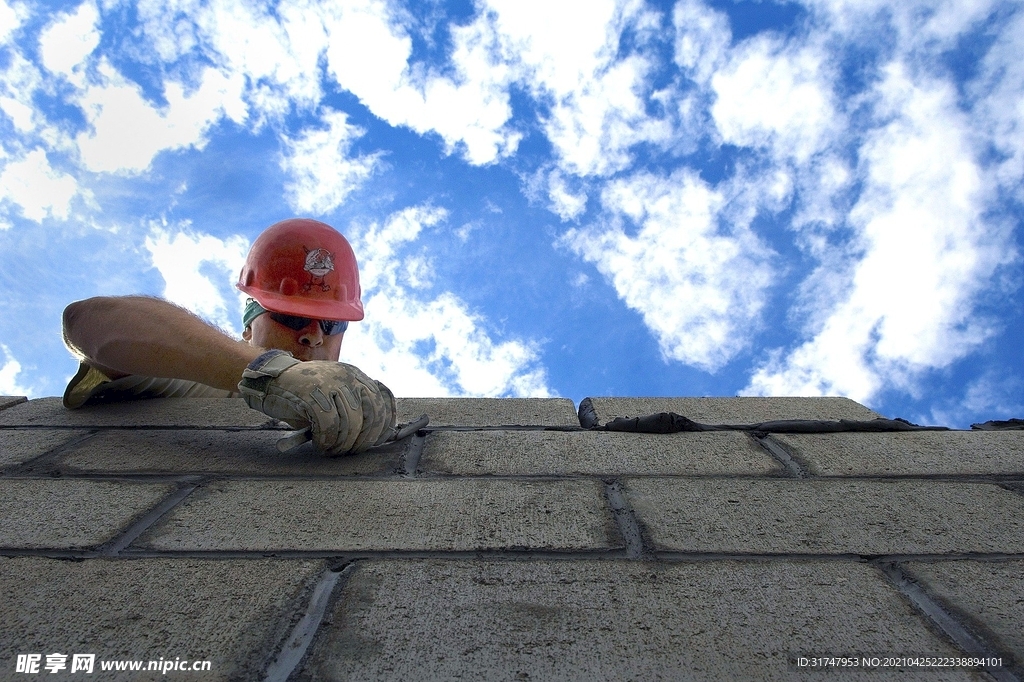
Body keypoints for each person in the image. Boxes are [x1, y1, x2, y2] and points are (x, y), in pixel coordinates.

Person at [61, 218, 396, 455]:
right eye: (290, 317)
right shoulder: (191, 378)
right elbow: (86, 321)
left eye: (332, 324)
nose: (314, 336)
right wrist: (271, 372)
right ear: (249, 326)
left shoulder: (351, 413)